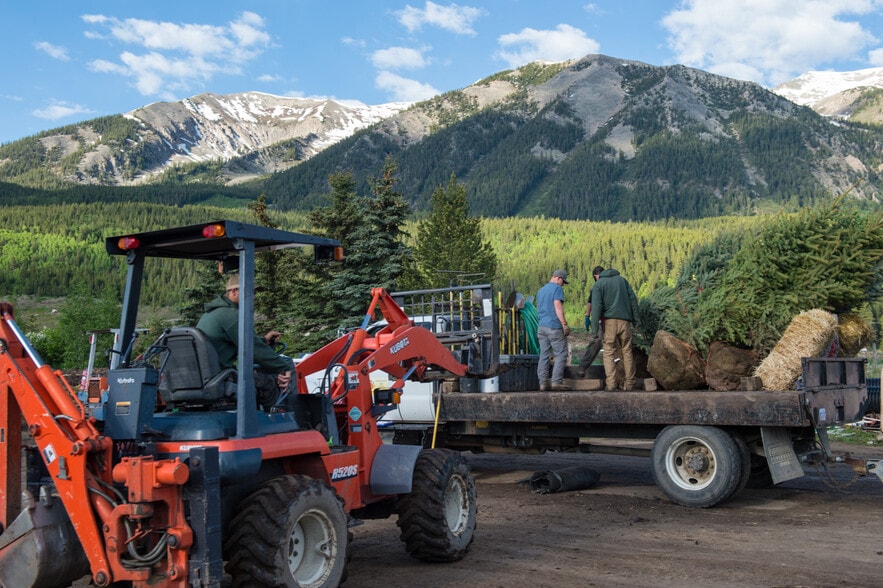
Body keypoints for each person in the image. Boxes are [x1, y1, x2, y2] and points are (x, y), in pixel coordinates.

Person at [197, 273, 292, 410]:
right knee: (268, 383)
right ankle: (277, 421)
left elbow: (245, 342)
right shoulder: (231, 315)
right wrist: (283, 367)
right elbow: (253, 349)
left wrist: (264, 340)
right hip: (219, 378)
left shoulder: (213, 313)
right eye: (250, 292)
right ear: (234, 291)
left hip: (208, 376)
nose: (253, 297)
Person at [590, 268, 640, 391]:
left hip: (609, 323)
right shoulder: (623, 281)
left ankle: (611, 384)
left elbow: (596, 307)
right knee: (627, 352)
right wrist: (636, 320)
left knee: (608, 353)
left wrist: (594, 328)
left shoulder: (598, 285)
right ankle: (630, 384)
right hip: (625, 322)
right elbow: (633, 300)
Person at [536, 269, 571, 391]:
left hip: (541, 327)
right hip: (553, 326)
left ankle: (542, 384)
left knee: (544, 355)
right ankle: (556, 382)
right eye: (563, 282)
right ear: (558, 278)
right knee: (561, 354)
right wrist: (564, 323)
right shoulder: (557, 289)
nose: (562, 285)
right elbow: (557, 305)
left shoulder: (541, 290)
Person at [577, 266, 605, 378]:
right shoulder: (596, 288)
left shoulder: (607, 285)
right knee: (597, 341)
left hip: (611, 319)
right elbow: (590, 302)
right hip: (600, 320)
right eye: (597, 277)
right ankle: (582, 367)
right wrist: (587, 316)